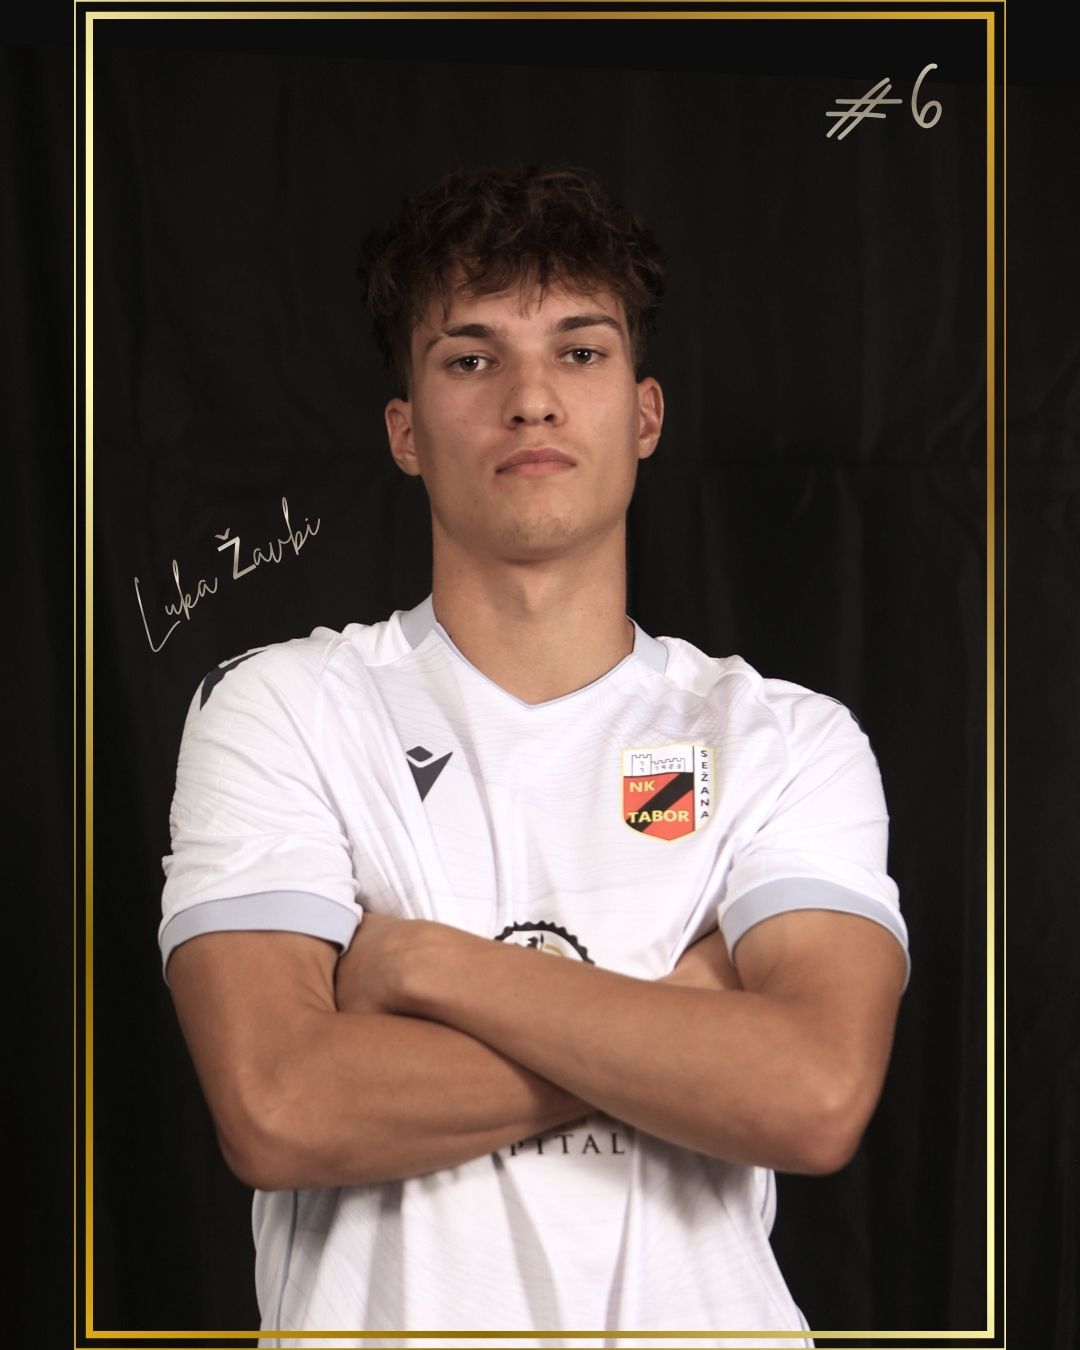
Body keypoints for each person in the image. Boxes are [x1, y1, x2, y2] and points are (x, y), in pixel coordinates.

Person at [160, 165, 909, 1349]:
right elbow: (281, 1106)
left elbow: (813, 1096)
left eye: (580, 351)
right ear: (405, 432)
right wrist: (679, 1028)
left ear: (645, 414)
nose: (531, 400)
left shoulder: (784, 739)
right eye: (471, 359)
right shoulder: (284, 708)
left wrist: (421, 966)